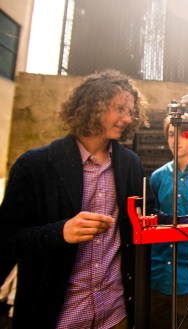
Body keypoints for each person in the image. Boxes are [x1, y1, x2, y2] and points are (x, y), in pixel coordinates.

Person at [0, 70, 154, 328]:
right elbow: (6, 239)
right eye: (120, 109)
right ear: (92, 106)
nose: (128, 118)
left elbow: (144, 218)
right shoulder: (35, 165)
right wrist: (61, 232)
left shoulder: (130, 164)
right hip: (59, 315)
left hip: (116, 312)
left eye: (131, 111)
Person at [149, 114, 188, 328]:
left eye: (184, 135)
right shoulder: (158, 177)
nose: (176, 140)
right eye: (172, 134)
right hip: (159, 277)